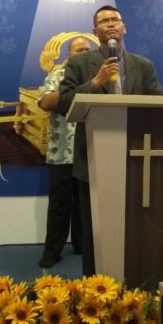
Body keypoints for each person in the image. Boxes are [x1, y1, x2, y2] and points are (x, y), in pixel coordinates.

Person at [58, 5, 163, 276]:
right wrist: (95, 82)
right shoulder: (79, 64)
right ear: (95, 31)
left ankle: (136, 282)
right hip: (93, 157)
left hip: (136, 158)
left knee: (135, 224)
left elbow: (158, 105)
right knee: (95, 229)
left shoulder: (143, 65)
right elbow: (64, 103)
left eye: (115, 20)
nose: (110, 24)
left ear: (124, 27)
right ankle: (95, 285)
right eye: (104, 21)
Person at [37, 36, 91, 268]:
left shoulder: (98, 77)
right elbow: (46, 102)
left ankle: (82, 245)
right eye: (79, 50)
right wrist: (79, 89)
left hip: (89, 153)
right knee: (59, 207)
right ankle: (52, 252)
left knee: (85, 206)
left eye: (87, 49)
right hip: (61, 154)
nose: (84, 53)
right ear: (68, 55)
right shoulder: (57, 75)